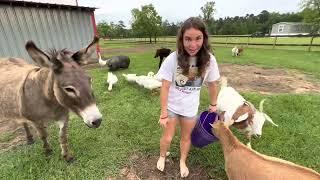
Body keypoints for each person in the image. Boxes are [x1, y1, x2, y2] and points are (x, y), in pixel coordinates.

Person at [155, 17, 220, 178]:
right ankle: (162, 156)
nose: (193, 45)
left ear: (204, 38)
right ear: (181, 39)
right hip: (172, 107)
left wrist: (213, 104)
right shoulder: (173, 58)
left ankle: (182, 161)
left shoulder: (210, 60)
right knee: (168, 137)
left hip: (190, 109)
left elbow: (212, 84)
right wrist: (163, 113)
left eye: (198, 38)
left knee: (186, 137)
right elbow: (165, 86)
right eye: (188, 39)